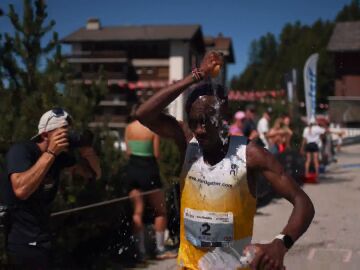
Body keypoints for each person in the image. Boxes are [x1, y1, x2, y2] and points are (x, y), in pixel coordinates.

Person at [135, 51, 315, 270]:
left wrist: (280, 243)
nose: (200, 129)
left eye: (207, 121)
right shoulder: (187, 140)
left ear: (224, 119)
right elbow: (144, 114)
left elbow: (303, 202)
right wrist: (197, 75)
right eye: (194, 122)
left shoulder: (250, 154)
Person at [0, 108, 101, 269]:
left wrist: (87, 151)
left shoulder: (59, 157)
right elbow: (21, 190)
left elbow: (93, 174)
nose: (68, 135)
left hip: (44, 238)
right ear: (45, 135)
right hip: (23, 241)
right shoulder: (22, 151)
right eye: (63, 132)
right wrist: (51, 153)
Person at [124, 116, 176, 260]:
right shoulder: (152, 129)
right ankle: (160, 249)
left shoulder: (129, 128)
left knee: (137, 212)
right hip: (149, 170)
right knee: (160, 211)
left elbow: (128, 152)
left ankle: (140, 252)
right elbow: (156, 154)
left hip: (132, 170)